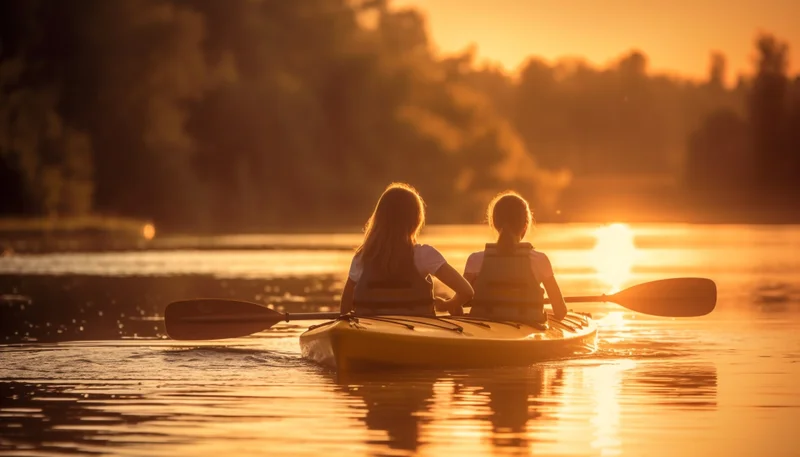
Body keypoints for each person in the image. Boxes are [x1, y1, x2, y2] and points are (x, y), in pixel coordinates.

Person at [339, 182, 474, 316]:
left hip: (369, 330)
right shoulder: (425, 255)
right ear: (415, 220)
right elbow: (467, 292)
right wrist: (447, 305)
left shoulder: (362, 257)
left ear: (379, 218)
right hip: (416, 331)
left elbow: (345, 308)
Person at [463, 191, 567, 323]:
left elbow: (460, 302)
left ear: (494, 223)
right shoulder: (540, 260)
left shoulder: (475, 260)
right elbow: (560, 312)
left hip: (483, 328)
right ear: (525, 224)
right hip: (528, 329)